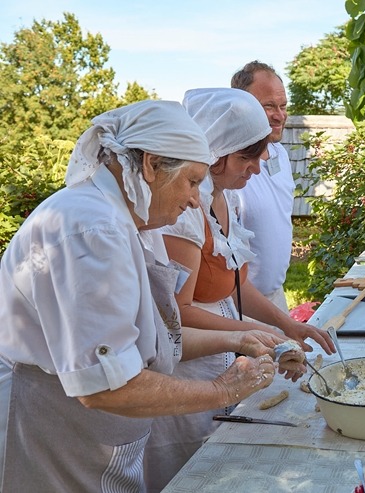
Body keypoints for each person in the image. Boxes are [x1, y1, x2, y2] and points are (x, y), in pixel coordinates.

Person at [0, 100, 305, 491]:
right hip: (51, 430)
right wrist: (223, 391)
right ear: (150, 165)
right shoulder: (92, 229)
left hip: (96, 434)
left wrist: (238, 338)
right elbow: (108, 386)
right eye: (193, 182)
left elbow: (154, 340)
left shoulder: (128, 220)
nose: (197, 199)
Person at [145, 88, 333, 491]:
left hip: (223, 354)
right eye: (247, 158)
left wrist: (289, 325)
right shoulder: (184, 213)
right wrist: (253, 337)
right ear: (216, 152)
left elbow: (236, 284)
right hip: (188, 365)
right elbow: (177, 314)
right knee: (193, 471)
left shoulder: (224, 200)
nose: (257, 169)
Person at [231, 61, 294, 312]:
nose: (279, 115)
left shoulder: (281, 155)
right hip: (239, 306)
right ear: (241, 106)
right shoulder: (227, 166)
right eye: (269, 106)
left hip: (277, 297)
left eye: (283, 106)